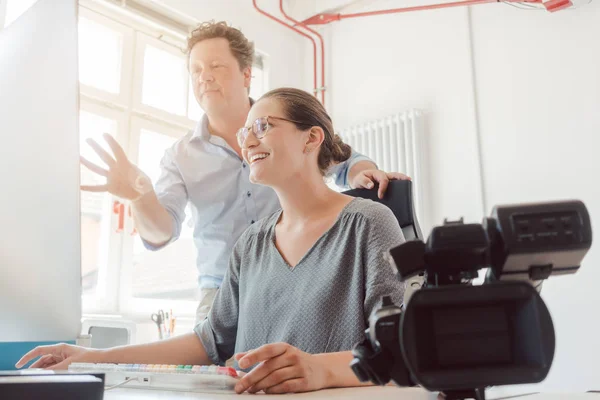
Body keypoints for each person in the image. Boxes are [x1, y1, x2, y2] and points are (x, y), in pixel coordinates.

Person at [17, 88, 406, 395]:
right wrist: (94, 358)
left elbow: (399, 347)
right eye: (244, 132)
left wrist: (318, 369)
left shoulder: (369, 223)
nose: (248, 142)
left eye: (263, 126)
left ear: (312, 138)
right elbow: (209, 342)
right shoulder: (251, 244)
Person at [79, 21, 410, 324]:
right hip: (222, 289)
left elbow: (343, 159)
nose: (203, 76)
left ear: (247, 74)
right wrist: (140, 195)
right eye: (195, 70)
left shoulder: (285, 121)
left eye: (215, 66)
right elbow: (160, 232)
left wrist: (363, 174)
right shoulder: (179, 156)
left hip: (300, 274)